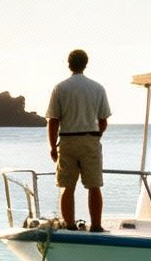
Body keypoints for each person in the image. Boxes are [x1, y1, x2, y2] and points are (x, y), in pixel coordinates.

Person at [46, 49, 111, 231]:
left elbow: (53, 121)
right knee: (94, 185)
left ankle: (70, 224)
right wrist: (96, 135)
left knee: (67, 186)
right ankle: (96, 225)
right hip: (90, 139)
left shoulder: (60, 88)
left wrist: (53, 146)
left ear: (69, 64)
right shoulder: (97, 88)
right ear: (86, 64)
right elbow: (103, 121)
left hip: (67, 141)